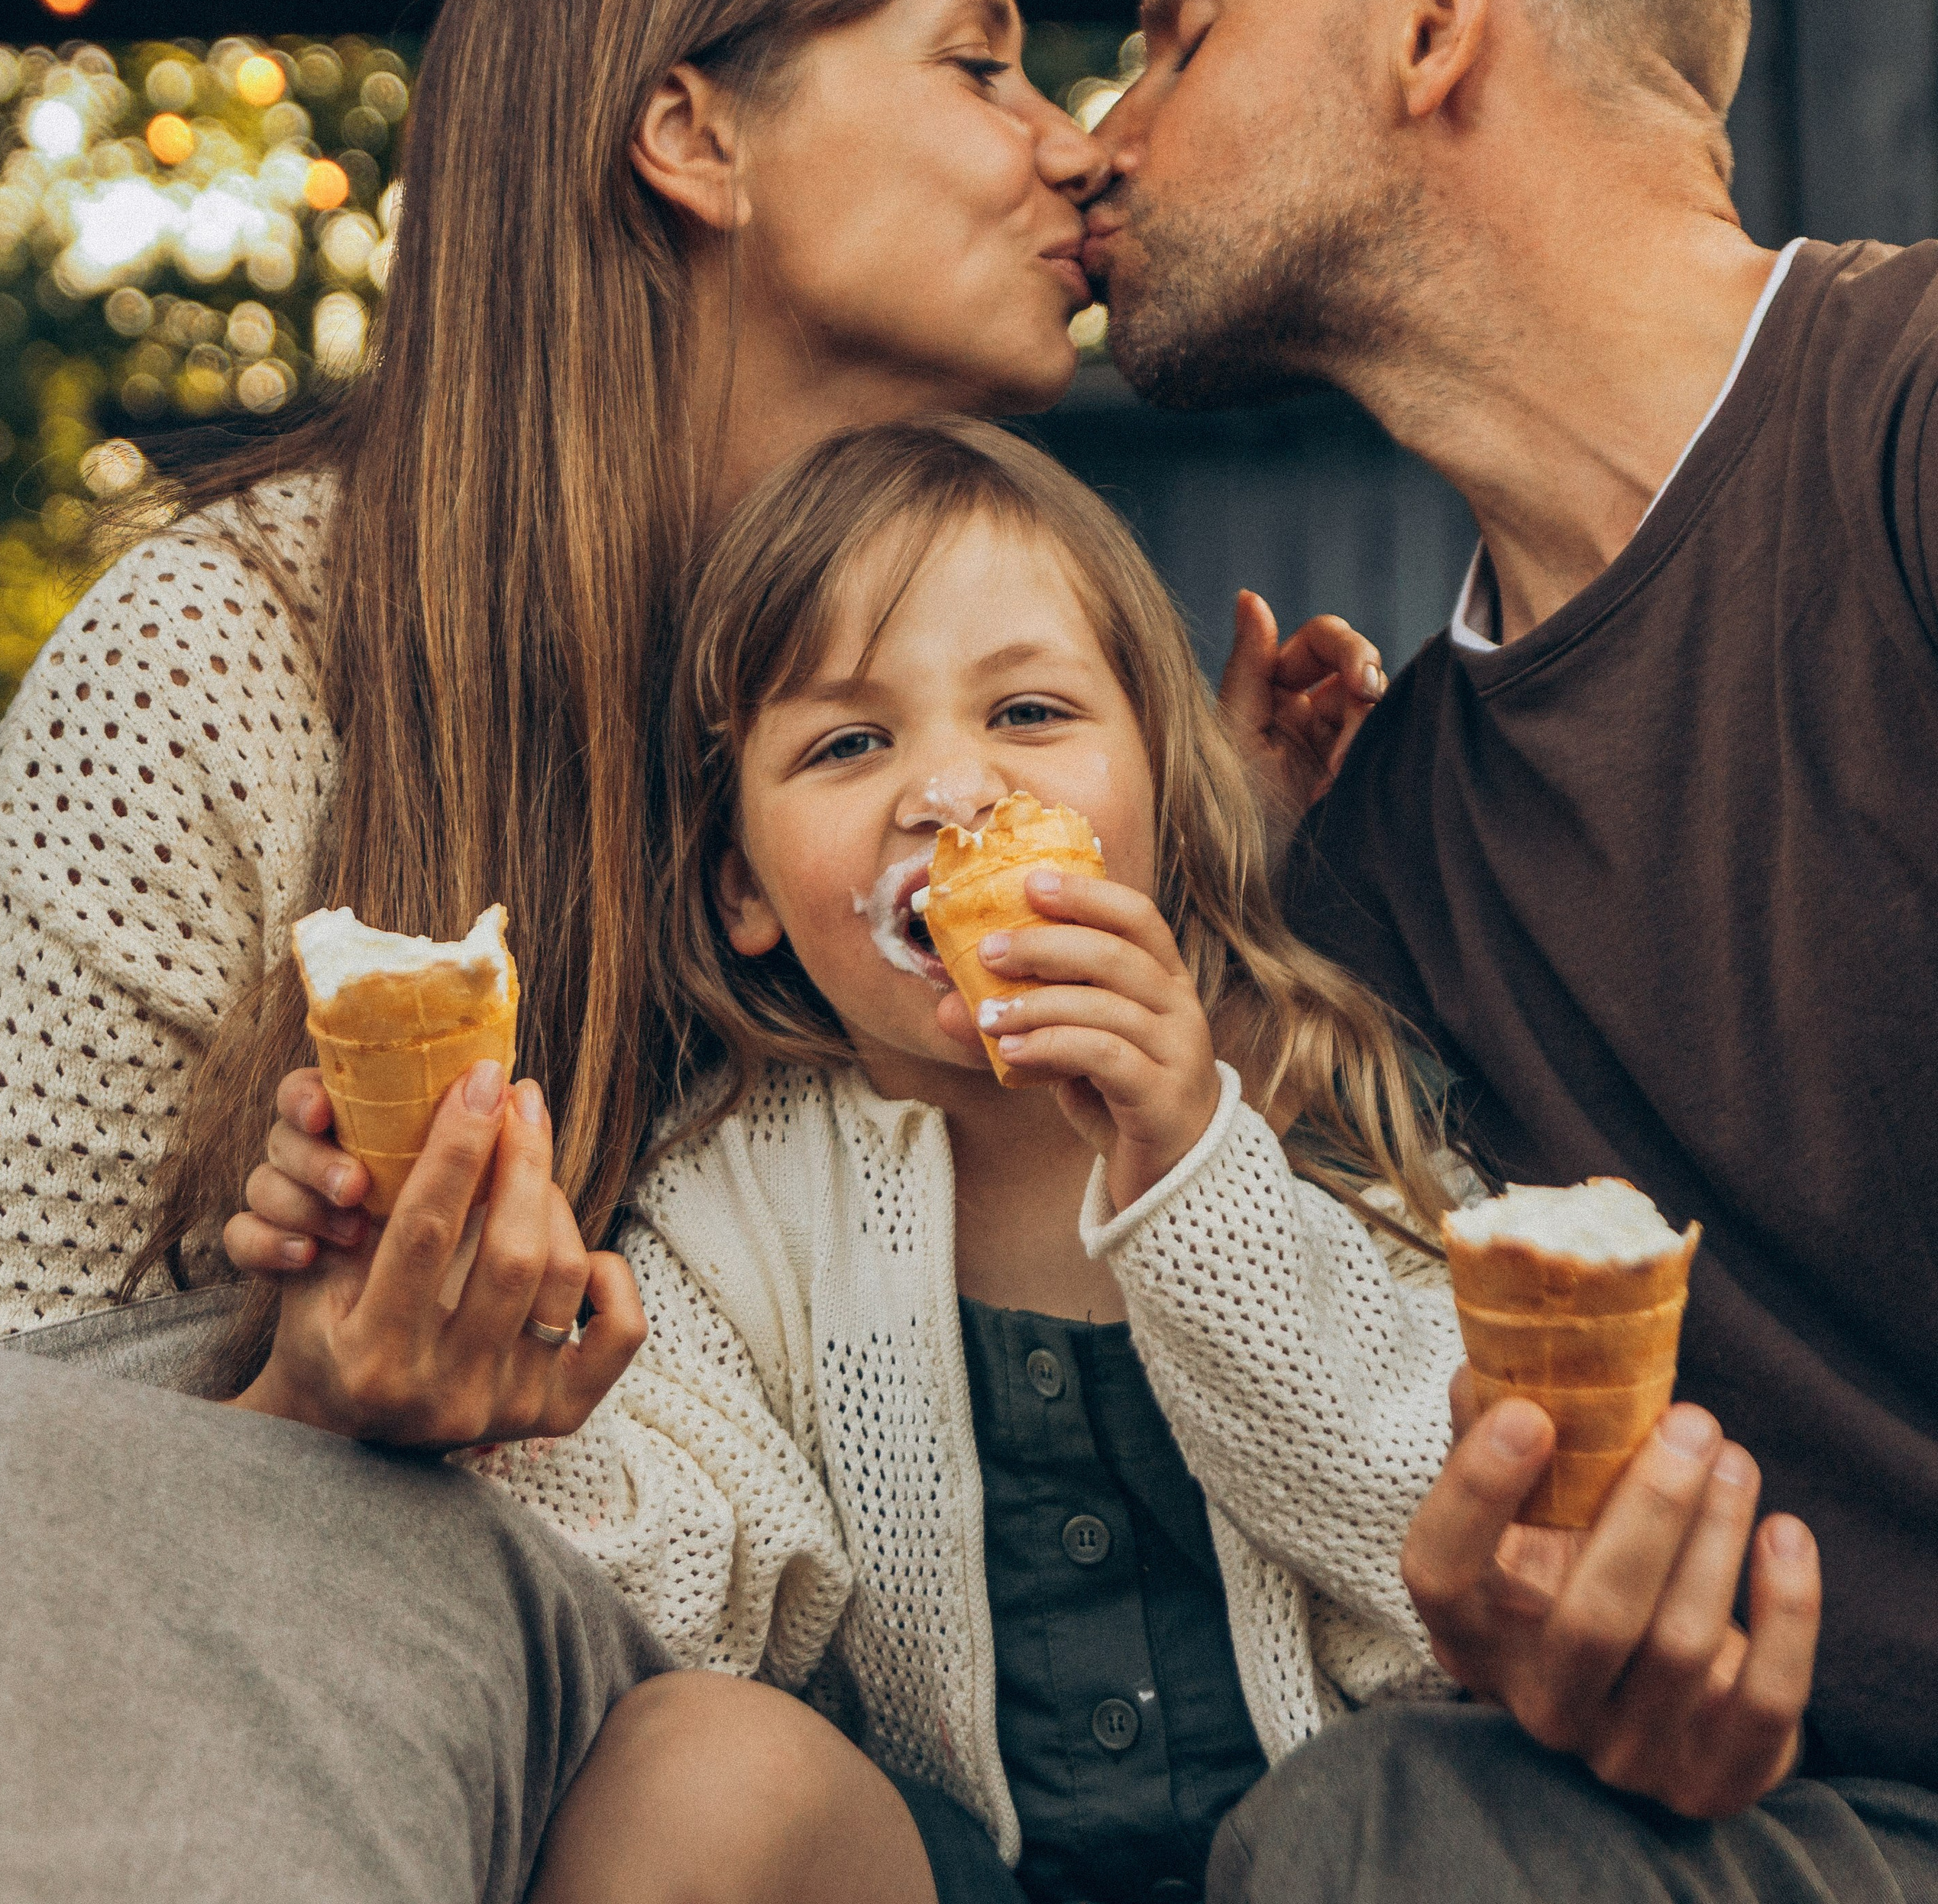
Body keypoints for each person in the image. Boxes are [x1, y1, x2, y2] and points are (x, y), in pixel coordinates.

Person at [0, 0, 1381, 1901]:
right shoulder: (230, 658)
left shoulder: (931, 741)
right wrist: (310, 1393)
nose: (1074, 144)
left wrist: (1217, 867)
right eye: (981, 59)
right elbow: (25, 1447)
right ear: (693, 140)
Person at [1085, 0, 1938, 1893]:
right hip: (1811, 1835)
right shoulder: (1374, 873)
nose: (1100, 135)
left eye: (1181, 31)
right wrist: (1530, 1636)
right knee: (1390, 1822)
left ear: (1434, 11)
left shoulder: (1913, 432)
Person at [238, 411, 1470, 1904]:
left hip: (1331, 1861)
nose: (947, 792)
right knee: (695, 1767)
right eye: (847, 742)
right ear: (743, 888)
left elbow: (1432, 1586)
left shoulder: (1325, 1122)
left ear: (1159, 789)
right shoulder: (730, 1208)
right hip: (928, 1876)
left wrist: (1189, 1171)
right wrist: (472, 1382)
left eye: (1026, 715)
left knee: (1427, 1798)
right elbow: (675, 1603)